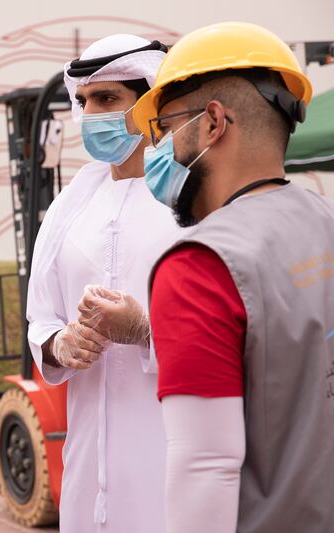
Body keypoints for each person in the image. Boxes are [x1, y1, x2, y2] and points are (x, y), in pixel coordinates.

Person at [130, 21, 334, 533]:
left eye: (167, 128)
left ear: (213, 123)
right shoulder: (324, 221)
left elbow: (206, 468)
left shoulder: (200, 265)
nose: (161, 150)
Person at [26, 34, 182, 532]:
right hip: (87, 456)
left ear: (150, 103)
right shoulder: (70, 209)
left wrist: (147, 330)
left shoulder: (190, 200)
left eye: (108, 99)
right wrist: (62, 345)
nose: (91, 113)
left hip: (171, 451)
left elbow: (231, 325)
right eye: (85, 100)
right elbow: (41, 318)